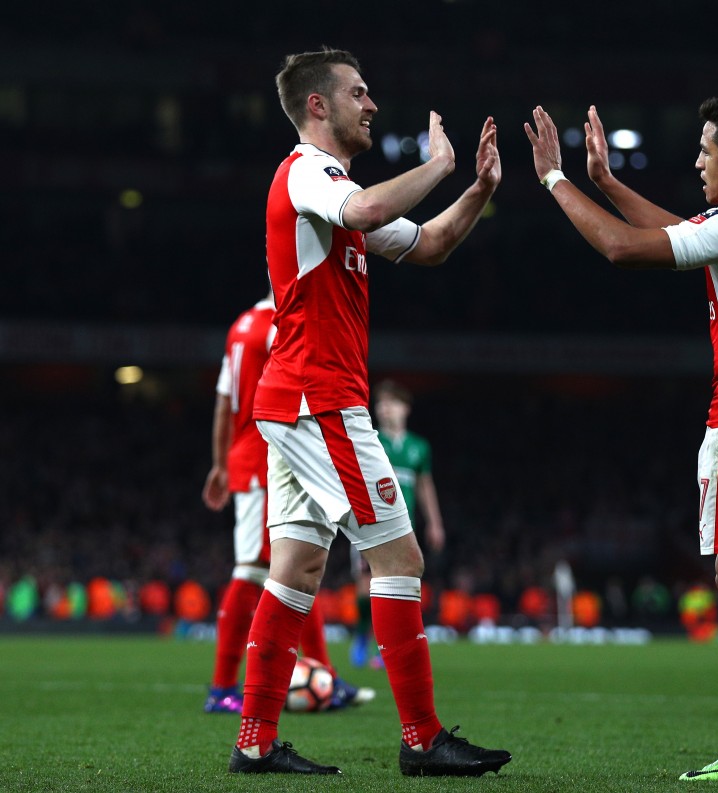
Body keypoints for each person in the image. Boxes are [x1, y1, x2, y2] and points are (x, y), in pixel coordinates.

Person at [525, 96, 718, 783]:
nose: (695, 162)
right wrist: (604, 179)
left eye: (704, 151)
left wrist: (555, 179)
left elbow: (622, 246)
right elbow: (692, 240)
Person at [230, 47, 510, 777]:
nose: (373, 104)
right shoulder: (309, 175)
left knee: (295, 567)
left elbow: (431, 243)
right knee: (401, 558)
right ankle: (421, 738)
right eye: (359, 92)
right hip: (317, 399)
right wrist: (438, 164)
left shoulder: (333, 193)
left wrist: (478, 187)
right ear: (318, 105)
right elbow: (374, 206)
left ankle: (255, 741)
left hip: (294, 401)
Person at [201, 292, 374, 714]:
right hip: (269, 456)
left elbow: (225, 402)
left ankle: (324, 675)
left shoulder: (241, 325)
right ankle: (222, 687)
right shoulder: (282, 324)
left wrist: (221, 464)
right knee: (257, 570)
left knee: (294, 566)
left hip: (249, 457)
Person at [349, 379, 446, 670]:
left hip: (406, 526)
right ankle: (362, 634)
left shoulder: (419, 448)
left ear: (405, 408)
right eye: (381, 403)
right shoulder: (371, 440)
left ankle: (386, 647)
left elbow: (425, 486)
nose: (385, 409)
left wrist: (435, 524)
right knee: (364, 590)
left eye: (392, 403)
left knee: (398, 588)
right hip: (370, 523)